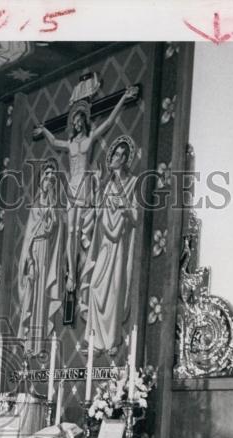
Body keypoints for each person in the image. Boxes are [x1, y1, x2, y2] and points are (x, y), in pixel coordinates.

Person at [33, 85, 138, 300]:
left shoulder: (89, 140)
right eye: (75, 122)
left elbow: (108, 122)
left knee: (81, 229)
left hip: (85, 186)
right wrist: (43, 129)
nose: (77, 124)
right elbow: (53, 141)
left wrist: (124, 99)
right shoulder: (70, 144)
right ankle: (71, 273)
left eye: (80, 121)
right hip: (72, 186)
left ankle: (80, 270)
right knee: (70, 231)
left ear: (84, 122)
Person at [79, 135, 140, 355]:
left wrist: (123, 205)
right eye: (116, 153)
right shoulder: (106, 184)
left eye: (123, 155)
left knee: (114, 289)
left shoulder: (132, 183)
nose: (119, 158)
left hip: (119, 245)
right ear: (111, 157)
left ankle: (112, 340)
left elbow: (135, 215)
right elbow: (96, 211)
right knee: (95, 286)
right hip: (104, 242)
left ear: (126, 160)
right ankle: (95, 341)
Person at [16, 158, 66, 354]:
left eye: (52, 178)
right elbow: (29, 236)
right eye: (47, 177)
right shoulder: (36, 205)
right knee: (33, 295)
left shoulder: (52, 206)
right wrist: (30, 261)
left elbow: (56, 227)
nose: (49, 181)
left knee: (43, 297)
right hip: (36, 252)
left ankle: (38, 343)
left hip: (47, 251)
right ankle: (30, 341)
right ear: (41, 180)